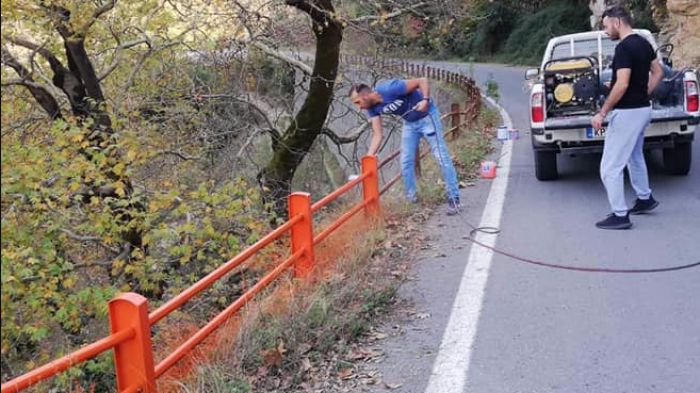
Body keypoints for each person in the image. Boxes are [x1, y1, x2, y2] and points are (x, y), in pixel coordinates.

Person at [592, 5, 664, 230]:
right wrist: (643, 92)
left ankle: (620, 215)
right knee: (634, 156)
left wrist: (602, 112)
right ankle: (645, 199)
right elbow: (658, 72)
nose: (606, 31)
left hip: (627, 113)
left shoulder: (624, 48)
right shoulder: (643, 43)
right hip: (643, 109)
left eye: (606, 26)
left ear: (617, 22)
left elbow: (623, 83)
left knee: (610, 167)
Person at [349, 78, 462, 215]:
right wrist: (369, 157)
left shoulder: (390, 88)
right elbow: (377, 134)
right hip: (409, 124)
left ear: (365, 96)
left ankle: (453, 198)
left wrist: (425, 100)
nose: (359, 107)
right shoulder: (372, 108)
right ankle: (411, 200)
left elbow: (422, 80)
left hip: (428, 117)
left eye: (357, 102)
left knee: (441, 156)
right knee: (406, 162)